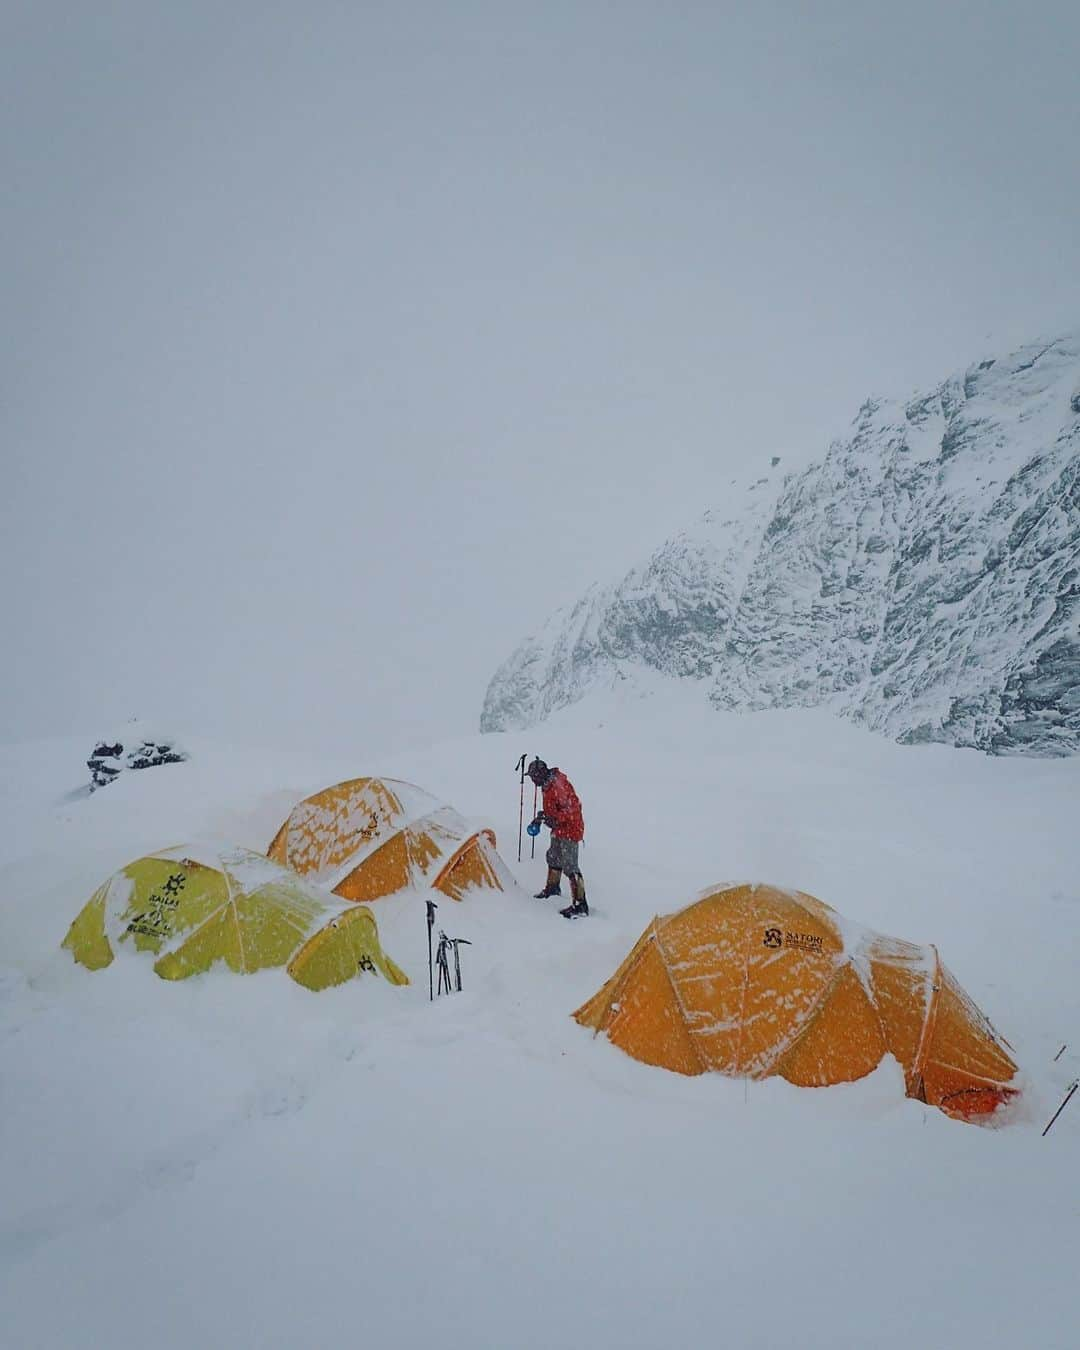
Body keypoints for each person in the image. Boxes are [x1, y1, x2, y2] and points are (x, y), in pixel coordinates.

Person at [527, 758, 588, 919]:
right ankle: (553, 887)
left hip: (571, 828)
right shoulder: (546, 785)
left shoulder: (558, 785)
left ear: (540, 774)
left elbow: (573, 809)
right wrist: (543, 817)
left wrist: (556, 819)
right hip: (559, 828)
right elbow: (555, 807)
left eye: (533, 777)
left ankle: (580, 904)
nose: (533, 781)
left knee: (570, 865)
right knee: (553, 857)